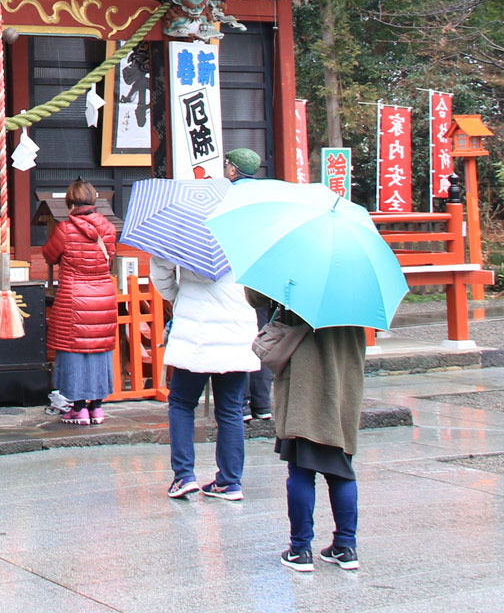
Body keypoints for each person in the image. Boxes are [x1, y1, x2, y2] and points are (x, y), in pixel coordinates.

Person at [251, 291, 368, 573]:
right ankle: (346, 546)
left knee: (301, 469)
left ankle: (300, 549)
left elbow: (254, 297)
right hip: (344, 376)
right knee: (341, 467)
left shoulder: (294, 262)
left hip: (305, 375)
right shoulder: (355, 276)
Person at [151, 232, 259, 501]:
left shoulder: (182, 228)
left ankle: (184, 475)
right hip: (237, 326)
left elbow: (161, 272)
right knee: (231, 407)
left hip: (195, 327)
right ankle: (230, 481)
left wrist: (178, 297)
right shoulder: (243, 232)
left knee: (182, 402)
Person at [41, 179, 119, 425]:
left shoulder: (65, 230)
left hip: (75, 296)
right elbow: (110, 258)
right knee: (98, 349)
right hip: (102, 296)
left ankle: (77, 408)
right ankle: (96, 408)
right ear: (94, 201)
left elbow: (49, 255)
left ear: (70, 202)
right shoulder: (108, 228)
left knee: (74, 350)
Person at [222, 147, 275, 424]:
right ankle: (263, 404)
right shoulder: (268, 199)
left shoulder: (226, 198)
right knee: (261, 336)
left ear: (233, 169)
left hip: (236, 280)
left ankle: (240, 404)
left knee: (241, 339)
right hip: (264, 279)